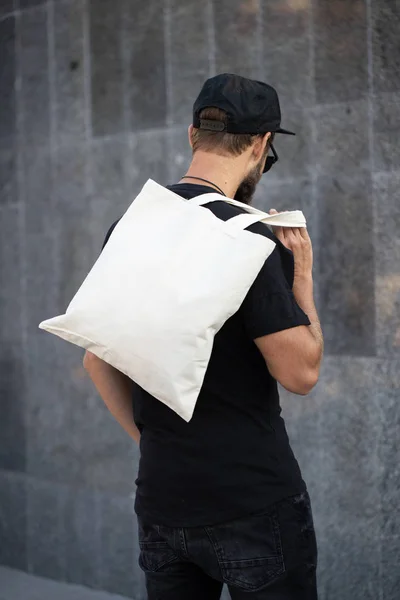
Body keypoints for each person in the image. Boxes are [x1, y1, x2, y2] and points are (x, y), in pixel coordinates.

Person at [84, 73, 324, 600]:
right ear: (262, 146)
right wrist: (302, 276)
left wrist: (152, 444)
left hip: (163, 502)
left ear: (192, 134)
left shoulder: (130, 228)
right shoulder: (255, 242)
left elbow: (96, 361)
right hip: (252, 503)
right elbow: (301, 373)